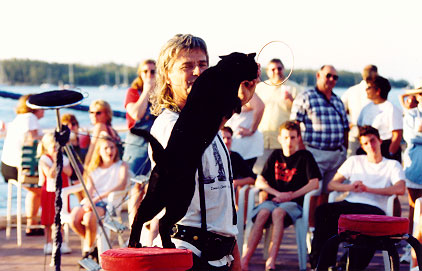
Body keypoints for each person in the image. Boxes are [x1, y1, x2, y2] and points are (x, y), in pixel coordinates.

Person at [147, 33, 259, 271]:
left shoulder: (209, 123)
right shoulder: (168, 125)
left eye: (203, 65)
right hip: (185, 253)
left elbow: (222, 202)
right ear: (167, 75)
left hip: (220, 255)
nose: (197, 72)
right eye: (187, 66)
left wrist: (235, 260)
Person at [309, 126, 406, 270]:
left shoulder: (392, 165)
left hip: (375, 208)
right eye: (366, 143)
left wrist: (369, 189)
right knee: (323, 211)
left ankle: (347, 266)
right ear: (362, 146)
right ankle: (321, 264)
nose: (370, 146)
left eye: (373, 141)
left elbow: (400, 188)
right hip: (351, 202)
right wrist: (351, 187)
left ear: (379, 141)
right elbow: (331, 185)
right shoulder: (355, 161)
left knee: (367, 228)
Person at [240, 121, 320, 271]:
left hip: (293, 204)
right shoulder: (275, 154)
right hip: (274, 200)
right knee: (263, 213)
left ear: (298, 139)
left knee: (278, 213)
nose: (289, 141)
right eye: (286, 137)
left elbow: (314, 183)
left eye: (293, 137)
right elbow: (260, 181)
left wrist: (290, 196)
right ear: (279, 138)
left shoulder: (305, 156)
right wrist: (278, 194)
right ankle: (245, 260)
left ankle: (270, 261)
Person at [290, 65, 349, 214]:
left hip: (336, 155)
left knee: (328, 192)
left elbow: (345, 127)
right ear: (318, 75)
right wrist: (303, 151)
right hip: (314, 153)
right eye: (328, 75)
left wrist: (345, 149)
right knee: (313, 193)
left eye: (335, 77)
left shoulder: (337, 100)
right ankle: (310, 228)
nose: (331, 79)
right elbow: (294, 125)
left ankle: (321, 225)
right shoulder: (306, 96)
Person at [69, 135, 129, 261]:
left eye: (112, 147)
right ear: (99, 151)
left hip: (108, 203)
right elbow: (89, 190)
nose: (110, 151)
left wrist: (97, 199)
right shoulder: (94, 169)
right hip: (92, 201)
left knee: (89, 217)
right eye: (106, 148)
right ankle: (94, 246)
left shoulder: (121, 165)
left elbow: (121, 184)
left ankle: (87, 250)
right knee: (73, 219)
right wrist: (89, 202)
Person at [1, 94, 45, 235]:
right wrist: (49, 139)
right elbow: (33, 140)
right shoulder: (29, 118)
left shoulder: (19, 118)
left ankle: (33, 223)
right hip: (19, 168)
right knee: (38, 190)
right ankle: (32, 225)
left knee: (36, 189)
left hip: (7, 166)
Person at [254, 58, 303, 174]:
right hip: (263, 139)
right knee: (261, 172)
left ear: (284, 69)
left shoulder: (295, 88)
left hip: (286, 142)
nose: (276, 71)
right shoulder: (260, 88)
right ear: (267, 72)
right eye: (273, 69)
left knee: (281, 174)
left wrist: (292, 100)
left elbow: (303, 113)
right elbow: (247, 106)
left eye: (279, 68)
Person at [123, 59, 157, 226]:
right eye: (146, 71)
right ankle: (134, 228)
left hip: (156, 144)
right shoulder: (133, 92)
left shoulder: (161, 93)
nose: (149, 74)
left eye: (153, 71)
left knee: (156, 188)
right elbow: (136, 113)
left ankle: (151, 229)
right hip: (137, 145)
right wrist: (146, 90)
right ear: (140, 74)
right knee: (136, 188)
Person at [37, 132, 73, 254]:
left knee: (60, 218)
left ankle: (60, 242)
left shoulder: (65, 159)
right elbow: (50, 174)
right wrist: (56, 162)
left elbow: (69, 172)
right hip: (49, 191)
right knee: (48, 219)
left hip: (63, 192)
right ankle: (48, 243)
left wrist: (61, 160)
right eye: (53, 147)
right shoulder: (44, 159)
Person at [357, 75, 403, 162]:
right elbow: (359, 126)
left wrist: (390, 154)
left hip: (385, 149)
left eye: (369, 88)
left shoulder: (391, 109)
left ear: (378, 90)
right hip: (368, 148)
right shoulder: (366, 108)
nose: (366, 90)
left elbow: (397, 135)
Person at [341, 65, 378, 156]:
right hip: (371, 136)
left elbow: (340, 110)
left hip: (354, 133)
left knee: (352, 162)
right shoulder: (377, 92)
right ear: (376, 74)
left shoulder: (351, 91)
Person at [225, 93, 264, 171]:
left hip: (245, 146)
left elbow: (260, 107)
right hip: (233, 143)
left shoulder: (245, 89)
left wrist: (251, 131)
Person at [403, 86, 422, 234]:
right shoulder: (411, 114)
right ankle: (410, 250)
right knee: (414, 209)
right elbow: (409, 137)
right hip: (415, 168)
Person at [84, 100, 121, 166]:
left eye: (98, 113)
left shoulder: (99, 127)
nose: (94, 115)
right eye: (91, 112)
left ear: (107, 114)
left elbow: (91, 151)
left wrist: (86, 169)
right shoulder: (111, 129)